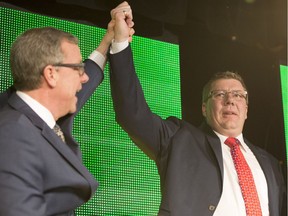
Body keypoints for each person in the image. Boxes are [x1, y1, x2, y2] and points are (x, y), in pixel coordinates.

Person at [109, 2, 286, 216]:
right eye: (219, 94)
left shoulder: (271, 165)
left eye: (238, 95)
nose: (230, 100)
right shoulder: (179, 140)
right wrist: (120, 43)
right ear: (204, 108)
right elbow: (132, 114)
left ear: (246, 108)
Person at [0, 12, 121, 215]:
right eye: (78, 68)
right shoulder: (13, 134)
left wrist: (107, 42)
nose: (84, 78)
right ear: (51, 74)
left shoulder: (39, 120)